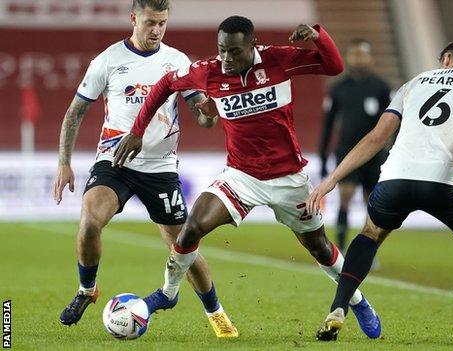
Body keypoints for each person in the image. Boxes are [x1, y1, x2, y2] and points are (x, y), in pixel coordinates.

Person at [112, 15, 382, 338]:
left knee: (320, 248)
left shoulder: (278, 60)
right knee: (192, 227)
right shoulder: (209, 71)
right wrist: (137, 131)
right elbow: (165, 84)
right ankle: (168, 293)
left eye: (234, 52)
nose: (226, 59)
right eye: (222, 50)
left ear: (253, 45)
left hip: (289, 179)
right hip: (241, 176)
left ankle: (359, 300)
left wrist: (318, 36)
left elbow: (334, 66)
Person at [53, 0, 239, 338]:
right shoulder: (107, 61)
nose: (156, 30)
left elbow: (201, 115)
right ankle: (86, 291)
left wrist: (210, 112)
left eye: (162, 23)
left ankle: (216, 312)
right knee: (90, 222)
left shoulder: (177, 61)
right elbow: (74, 113)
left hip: (161, 168)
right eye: (150, 22)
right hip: (115, 161)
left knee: (184, 246)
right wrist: (64, 162)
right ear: (134, 18)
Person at [308, 38, 453, 345]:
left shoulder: (414, 83)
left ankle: (338, 308)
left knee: (371, 233)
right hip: (444, 184)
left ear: (445, 59)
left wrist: (332, 178)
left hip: (394, 180)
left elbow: (377, 138)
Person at [318, 38, 391, 252]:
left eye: (363, 54)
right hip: (347, 153)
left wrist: (391, 153)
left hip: (375, 156)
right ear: (348, 57)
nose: (358, 59)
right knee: (345, 200)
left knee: (373, 206)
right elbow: (327, 126)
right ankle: (340, 250)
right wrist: (323, 157)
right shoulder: (338, 89)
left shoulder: (381, 87)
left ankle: (367, 252)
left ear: (370, 58)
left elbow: (393, 123)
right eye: (354, 54)